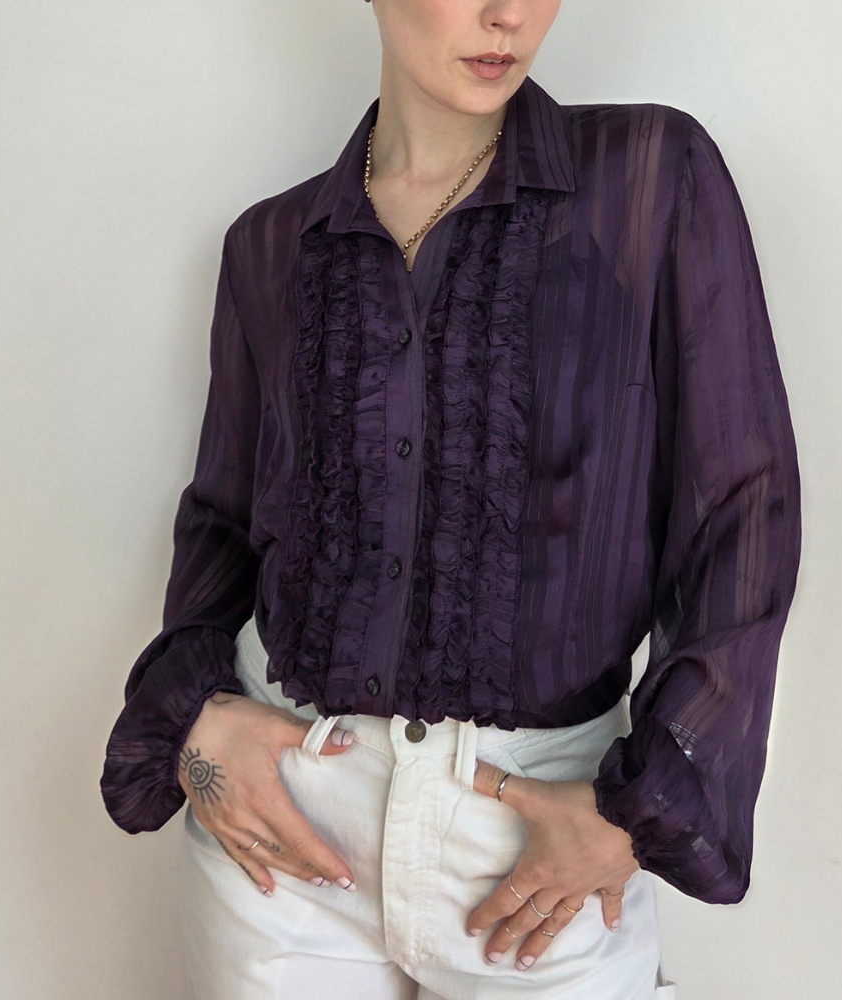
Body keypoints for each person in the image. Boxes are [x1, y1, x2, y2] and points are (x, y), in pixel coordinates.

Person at [100, 1, 802, 997]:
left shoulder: (648, 179)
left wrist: (640, 810)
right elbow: (222, 521)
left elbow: (743, 506)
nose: (507, 14)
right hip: (286, 830)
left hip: (542, 833)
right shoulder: (269, 245)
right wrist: (196, 724)